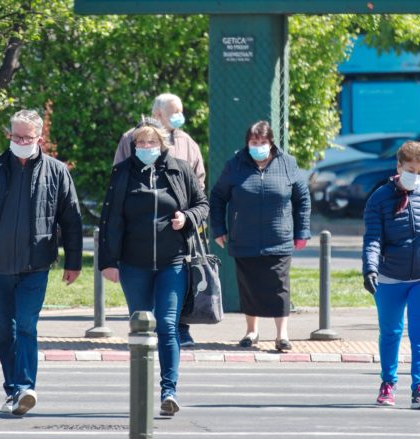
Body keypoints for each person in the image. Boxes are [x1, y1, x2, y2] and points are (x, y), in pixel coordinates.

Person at [0, 109, 83, 416]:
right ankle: (13, 389)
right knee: (3, 332)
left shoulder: (56, 171)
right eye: (16, 136)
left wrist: (74, 261)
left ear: (39, 137)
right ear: (9, 136)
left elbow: (72, 220)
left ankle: (25, 387)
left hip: (36, 266)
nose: (20, 141)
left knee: (26, 326)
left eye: (26, 137)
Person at [99, 117, 209, 417]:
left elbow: (202, 204)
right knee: (140, 326)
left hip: (172, 264)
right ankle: (142, 389)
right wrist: (106, 261)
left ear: (162, 145)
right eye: (140, 143)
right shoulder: (122, 173)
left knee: (167, 325)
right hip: (133, 265)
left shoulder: (179, 169)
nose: (146, 147)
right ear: (133, 146)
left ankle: (169, 391)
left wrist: (187, 218)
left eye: (151, 143)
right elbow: (108, 219)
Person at [362, 140, 420, 409]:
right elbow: (372, 239)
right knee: (391, 332)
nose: (416, 176)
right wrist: (369, 268)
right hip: (390, 277)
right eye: (411, 169)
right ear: (399, 166)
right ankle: (388, 384)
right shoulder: (379, 198)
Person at [209, 120, 311, 352]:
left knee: (278, 286)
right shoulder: (234, 165)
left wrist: (301, 231)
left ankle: (282, 335)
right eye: (254, 142)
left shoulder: (287, 163)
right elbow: (217, 197)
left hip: (279, 238)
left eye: (263, 142)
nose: (259, 146)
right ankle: (251, 331)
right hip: (244, 237)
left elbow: (302, 198)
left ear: (271, 142)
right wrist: (219, 229)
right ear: (247, 143)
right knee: (249, 285)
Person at [114, 92, 205, 348]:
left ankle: (181, 329)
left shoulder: (187, 142)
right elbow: (119, 176)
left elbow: (199, 180)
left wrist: (188, 215)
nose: (179, 116)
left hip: (178, 231)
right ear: (157, 115)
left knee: (178, 287)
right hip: (138, 238)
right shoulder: (130, 139)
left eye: (180, 111)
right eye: (173, 111)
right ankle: (146, 334)